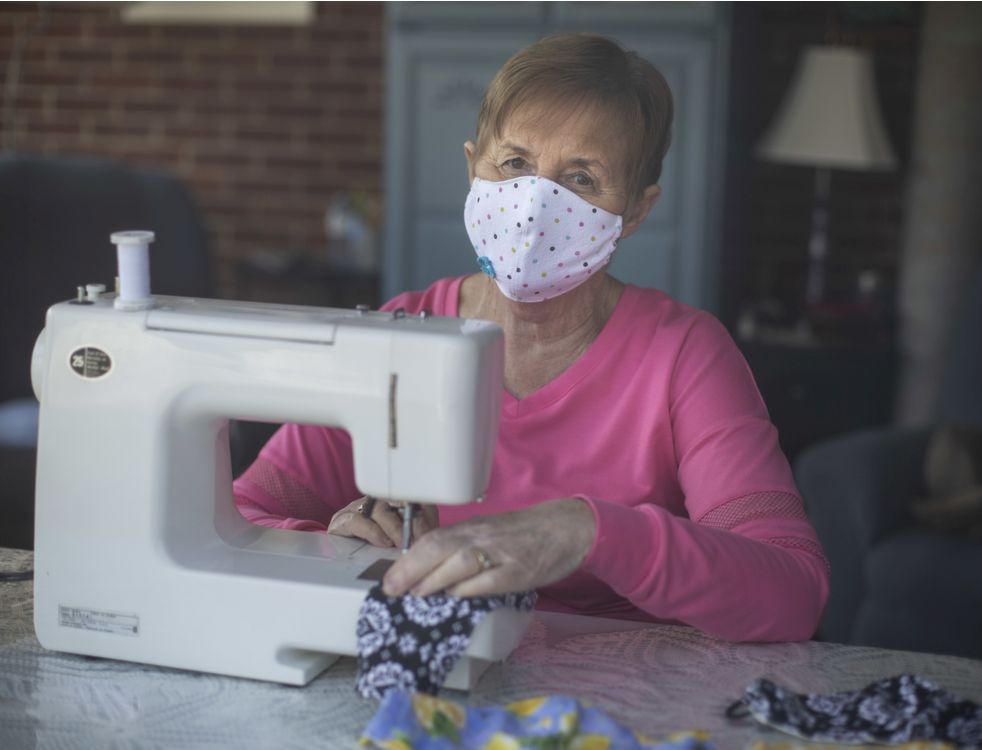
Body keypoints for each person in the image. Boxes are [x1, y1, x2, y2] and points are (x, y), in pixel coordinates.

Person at [234, 33, 829, 642]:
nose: (537, 204)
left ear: (635, 212)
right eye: (515, 163)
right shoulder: (401, 336)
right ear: (473, 169)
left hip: (620, 694)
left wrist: (589, 533)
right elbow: (241, 515)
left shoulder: (684, 356)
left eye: (582, 178)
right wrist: (334, 546)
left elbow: (791, 593)